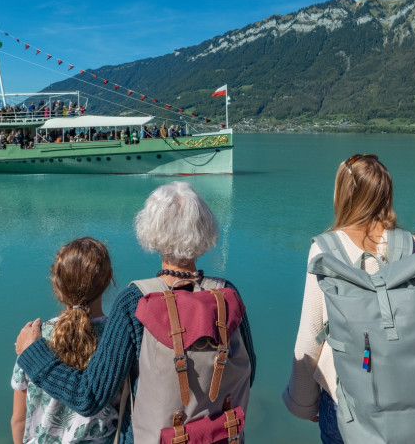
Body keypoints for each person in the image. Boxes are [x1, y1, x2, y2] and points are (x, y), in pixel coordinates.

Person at [15, 182, 256, 443]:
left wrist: (33, 355)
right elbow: (247, 372)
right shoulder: (226, 294)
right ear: (205, 228)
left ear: (150, 230)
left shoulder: (135, 301)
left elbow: (89, 397)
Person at [283, 154, 415, 443]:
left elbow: (311, 335)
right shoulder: (412, 244)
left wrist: (302, 401)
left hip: (345, 397)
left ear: (345, 194)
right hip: (407, 392)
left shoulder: (325, 251)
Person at [11, 237, 118, 444]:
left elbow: (18, 419)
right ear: (109, 279)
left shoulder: (33, 338)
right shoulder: (117, 338)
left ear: (56, 284)